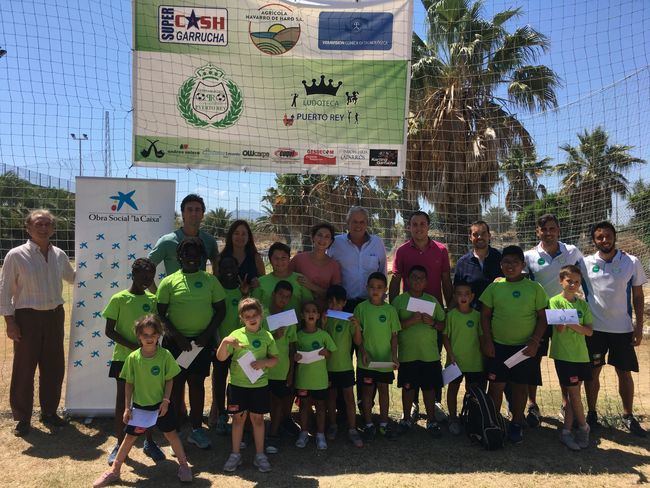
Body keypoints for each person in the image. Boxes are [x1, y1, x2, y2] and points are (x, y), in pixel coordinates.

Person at [92, 315, 192, 487]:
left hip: (162, 406)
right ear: (138, 336)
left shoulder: (165, 355)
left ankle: (184, 466)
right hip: (140, 408)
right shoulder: (133, 358)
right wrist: (127, 407)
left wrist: (166, 401)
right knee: (129, 438)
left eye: (153, 334)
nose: (149, 338)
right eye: (145, 335)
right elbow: (128, 384)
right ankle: (114, 471)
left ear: (159, 335)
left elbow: (170, 380)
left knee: (171, 435)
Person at [0, 209, 75, 436]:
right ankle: (23, 418)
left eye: (47, 224)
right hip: (27, 318)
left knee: (53, 366)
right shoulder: (15, 255)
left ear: (53, 229)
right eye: (38, 224)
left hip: (54, 316)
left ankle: (49, 412)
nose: (43, 228)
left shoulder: (60, 255)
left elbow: (73, 278)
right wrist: (10, 322)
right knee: (24, 367)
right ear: (28, 228)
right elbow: (4, 291)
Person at [156, 237, 226, 448]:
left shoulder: (210, 281)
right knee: (175, 385)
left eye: (196, 255)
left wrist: (206, 335)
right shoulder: (169, 282)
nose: (192, 258)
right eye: (187, 254)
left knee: (197, 384)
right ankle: (174, 429)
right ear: (179, 257)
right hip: (176, 343)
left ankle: (196, 429)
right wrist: (177, 336)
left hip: (200, 343)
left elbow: (221, 310)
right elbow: (160, 314)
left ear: (202, 257)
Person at [580, 221, 647, 437]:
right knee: (592, 373)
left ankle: (628, 415)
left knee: (624, 373)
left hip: (622, 329)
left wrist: (638, 327)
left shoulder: (631, 261)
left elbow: (638, 296)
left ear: (614, 236)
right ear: (594, 240)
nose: (604, 240)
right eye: (599, 237)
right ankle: (592, 413)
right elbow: (562, 279)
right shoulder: (585, 263)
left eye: (608, 236)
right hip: (595, 330)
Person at [479, 245, 548, 444]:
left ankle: (516, 423)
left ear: (522, 265)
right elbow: (484, 316)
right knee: (496, 386)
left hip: (523, 348)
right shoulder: (495, 287)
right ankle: (493, 423)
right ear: (501, 265)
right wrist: (487, 340)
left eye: (514, 263)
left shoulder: (534, 288)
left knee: (519, 387)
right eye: (506, 262)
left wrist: (535, 342)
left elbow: (543, 318)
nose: (510, 266)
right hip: (498, 346)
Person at [389, 210, 452, 421]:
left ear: (428, 226)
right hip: (410, 311)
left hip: (433, 312)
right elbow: (396, 280)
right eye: (414, 224)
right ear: (409, 227)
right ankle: (413, 404)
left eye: (422, 224)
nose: (418, 228)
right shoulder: (402, 251)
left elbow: (445, 280)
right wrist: (392, 308)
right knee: (411, 358)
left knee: (433, 358)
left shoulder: (441, 250)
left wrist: (448, 307)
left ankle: (435, 402)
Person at [103, 258, 165, 464]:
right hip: (124, 358)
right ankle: (120, 444)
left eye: (150, 276)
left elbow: (157, 329)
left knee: (148, 400)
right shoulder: (119, 299)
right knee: (123, 401)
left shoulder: (153, 299)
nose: (146, 279)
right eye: (143, 275)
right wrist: (133, 348)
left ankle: (149, 441)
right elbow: (109, 330)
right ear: (133, 275)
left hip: (149, 359)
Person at [523, 214, 583, 427]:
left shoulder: (572, 251)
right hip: (538, 316)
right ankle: (532, 405)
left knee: (564, 361)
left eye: (552, 229)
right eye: (544, 229)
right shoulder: (529, 256)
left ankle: (566, 405)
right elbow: (520, 282)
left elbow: (583, 279)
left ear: (558, 230)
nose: (548, 233)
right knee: (533, 360)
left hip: (563, 314)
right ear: (537, 232)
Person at [217, 298, 278, 473]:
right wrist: (225, 342)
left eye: (255, 315)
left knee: (258, 420)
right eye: (247, 316)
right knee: (238, 419)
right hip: (238, 386)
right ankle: (235, 454)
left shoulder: (267, 336)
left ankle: (260, 455)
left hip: (259, 386)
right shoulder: (235, 335)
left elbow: (275, 360)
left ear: (261, 315)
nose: (252, 318)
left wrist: (264, 362)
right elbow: (221, 358)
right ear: (241, 318)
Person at [392, 265, 446, 437]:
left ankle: (431, 420)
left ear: (426, 282)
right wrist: (410, 321)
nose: (417, 281)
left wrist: (432, 323)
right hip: (408, 354)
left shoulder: (432, 300)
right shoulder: (399, 301)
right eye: (414, 277)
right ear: (407, 280)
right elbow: (393, 328)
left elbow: (443, 325)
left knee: (429, 389)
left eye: (421, 278)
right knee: (408, 388)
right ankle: (406, 419)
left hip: (429, 355)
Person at [548, 265, 593, 450]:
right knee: (574, 394)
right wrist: (575, 324)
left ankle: (566, 432)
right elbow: (559, 328)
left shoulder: (583, 304)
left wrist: (570, 322)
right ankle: (584, 427)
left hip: (581, 356)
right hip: (564, 355)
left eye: (576, 281)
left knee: (572, 395)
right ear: (561, 281)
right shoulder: (555, 301)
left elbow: (589, 331)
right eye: (569, 281)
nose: (573, 284)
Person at [355, 272, 400, 440]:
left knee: (383, 390)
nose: (375, 290)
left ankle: (383, 424)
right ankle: (368, 424)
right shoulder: (360, 308)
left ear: (385, 290)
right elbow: (358, 336)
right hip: (367, 362)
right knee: (366, 392)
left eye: (379, 287)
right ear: (367, 288)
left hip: (384, 361)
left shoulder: (390, 310)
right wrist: (364, 353)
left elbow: (394, 336)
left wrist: (394, 356)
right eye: (372, 287)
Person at [209, 255, 249, 433]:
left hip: (240, 347)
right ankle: (221, 413)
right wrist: (216, 342)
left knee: (238, 380)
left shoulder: (243, 291)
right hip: (220, 345)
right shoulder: (215, 290)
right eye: (224, 268)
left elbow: (249, 317)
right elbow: (212, 318)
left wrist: (246, 294)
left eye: (231, 267)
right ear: (219, 271)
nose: (228, 271)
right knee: (219, 378)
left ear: (237, 268)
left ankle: (238, 413)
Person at [442, 282, 485, 435]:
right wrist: (450, 353)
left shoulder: (478, 315)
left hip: (475, 362)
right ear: (454, 297)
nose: (463, 297)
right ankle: (453, 418)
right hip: (455, 362)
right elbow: (445, 336)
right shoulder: (451, 315)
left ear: (472, 296)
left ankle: (471, 417)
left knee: (472, 392)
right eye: (459, 294)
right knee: (453, 389)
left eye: (467, 293)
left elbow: (481, 337)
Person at [324, 285, 363, 448]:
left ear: (344, 303)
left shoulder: (349, 319)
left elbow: (358, 342)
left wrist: (356, 326)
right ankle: (332, 425)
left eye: (337, 303)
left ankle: (352, 429)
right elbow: (321, 339)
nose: (334, 306)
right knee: (331, 398)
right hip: (328, 368)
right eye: (331, 303)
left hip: (346, 367)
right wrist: (323, 324)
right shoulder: (325, 319)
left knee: (349, 398)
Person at [294, 301, 337, 450]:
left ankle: (320, 434)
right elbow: (292, 354)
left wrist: (327, 353)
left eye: (314, 311)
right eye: (307, 311)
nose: (311, 313)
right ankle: (304, 433)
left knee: (320, 407)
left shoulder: (324, 335)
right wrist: (295, 357)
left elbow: (331, 352)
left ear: (318, 315)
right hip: (303, 379)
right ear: (302, 315)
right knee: (304, 406)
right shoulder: (298, 335)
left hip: (320, 380)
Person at [149, 194, 218, 284]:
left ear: (202, 215)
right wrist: (157, 296)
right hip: (174, 297)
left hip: (202, 297)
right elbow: (146, 268)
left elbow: (217, 268)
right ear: (183, 214)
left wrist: (213, 290)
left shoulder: (210, 241)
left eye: (197, 210)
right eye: (189, 210)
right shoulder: (167, 241)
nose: (194, 213)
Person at [328, 206, 387, 311]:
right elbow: (327, 267)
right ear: (348, 222)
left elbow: (382, 271)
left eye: (362, 222)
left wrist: (382, 295)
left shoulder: (377, 242)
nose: (358, 225)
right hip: (343, 303)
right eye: (354, 221)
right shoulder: (336, 243)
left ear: (367, 224)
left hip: (371, 302)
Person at [263, 281, 298, 450]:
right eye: (280, 295)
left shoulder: (290, 319)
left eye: (287, 297)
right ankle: (251, 432)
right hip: (262, 368)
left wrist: (291, 371)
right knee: (261, 402)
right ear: (273, 294)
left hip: (281, 368)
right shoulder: (263, 316)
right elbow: (257, 341)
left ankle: (273, 434)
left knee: (277, 401)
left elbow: (292, 347)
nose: (283, 299)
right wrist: (273, 336)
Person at [289, 222, 342, 307]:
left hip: (323, 311)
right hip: (298, 308)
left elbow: (335, 295)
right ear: (313, 237)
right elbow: (285, 280)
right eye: (319, 235)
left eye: (327, 237)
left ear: (331, 241)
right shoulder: (298, 259)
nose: (322, 239)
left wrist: (311, 286)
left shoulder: (334, 265)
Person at [453, 220, 503, 309]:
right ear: (470, 237)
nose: (480, 237)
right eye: (475, 234)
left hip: (498, 315)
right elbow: (457, 291)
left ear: (489, 236)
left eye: (483, 233)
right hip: (472, 316)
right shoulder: (462, 263)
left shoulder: (500, 258)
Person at [252, 242, 313, 312]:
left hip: (296, 322)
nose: (280, 261)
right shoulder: (260, 282)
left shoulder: (300, 279)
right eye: (276, 258)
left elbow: (309, 304)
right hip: (267, 322)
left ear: (289, 259)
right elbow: (254, 308)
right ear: (270, 260)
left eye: (283, 258)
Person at [218, 219, 266, 288]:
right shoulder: (220, 258)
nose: (240, 237)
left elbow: (263, 282)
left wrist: (258, 282)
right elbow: (215, 284)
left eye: (244, 234)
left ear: (248, 237)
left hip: (251, 297)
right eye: (236, 233)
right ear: (231, 236)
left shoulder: (256, 258)